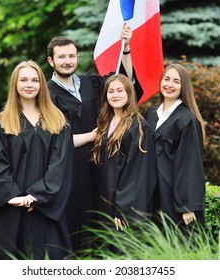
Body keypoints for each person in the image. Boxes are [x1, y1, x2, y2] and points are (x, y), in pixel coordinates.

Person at [46, 23, 143, 252]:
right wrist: (91, 136)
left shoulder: (91, 82)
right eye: (61, 57)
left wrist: (126, 49)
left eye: (71, 55)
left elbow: (125, 85)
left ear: (77, 57)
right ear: (51, 61)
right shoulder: (46, 94)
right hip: (70, 169)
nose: (67, 60)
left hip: (102, 164)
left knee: (102, 218)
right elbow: (48, 140)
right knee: (74, 224)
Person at [0, 60, 74, 260]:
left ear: (42, 84)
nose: (29, 84)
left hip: (46, 209)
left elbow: (60, 165)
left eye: (34, 80)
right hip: (12, 207)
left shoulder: (58, 121)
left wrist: (37, 196)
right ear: (15, 83)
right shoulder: (2, 121)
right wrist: (12, 196)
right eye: (23, 79)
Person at [144, 63, 206, 235]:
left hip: (173, 197)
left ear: (183, 86)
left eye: (176, 81)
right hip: (152, 193)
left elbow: (190, 163)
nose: (169, 85)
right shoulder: (151, 113)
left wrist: (187, 205)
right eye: (167, 79)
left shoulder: (186, 119)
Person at [91, 74, 156, 231]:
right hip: (105, 201)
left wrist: (124, 209)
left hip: (124, 208)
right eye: (111, 91)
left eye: (120, 90)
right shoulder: (106, 123)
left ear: (129, 93)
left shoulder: (138, 127)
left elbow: (137, 173)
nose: (115, 95)